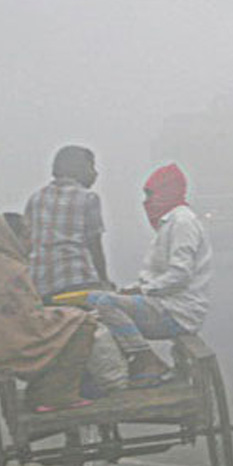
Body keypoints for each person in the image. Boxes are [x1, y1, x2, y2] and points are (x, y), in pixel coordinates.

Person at [85, 163, 213, 385]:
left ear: (167, 192)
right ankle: (138, 362)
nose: (146, 201)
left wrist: (142, 290)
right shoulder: (170, 223)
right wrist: (133, 289)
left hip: (177, 313)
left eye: (151, 194)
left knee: (105, 303)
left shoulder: (182, 223)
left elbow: (180, 275)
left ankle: (145, 360)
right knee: (94, 300)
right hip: (163, 305)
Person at [0, 213, 95, 412]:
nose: (32, 243)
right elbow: (32, 322)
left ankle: (41, 390)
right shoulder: (13, 270)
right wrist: (73, 314)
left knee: (66, 319)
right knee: (83, 323)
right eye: (27, 236)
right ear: (11, 240)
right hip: (13, 349)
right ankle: (59, 394)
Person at [24, 145, 112, 302]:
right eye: (92, 166)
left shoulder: (36, 198)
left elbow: (26, 243)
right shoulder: (88, 198)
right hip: (77, 280)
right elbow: (94, 245)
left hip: (40, 285)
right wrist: (104, 282)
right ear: (78, 169)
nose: (96, 173)